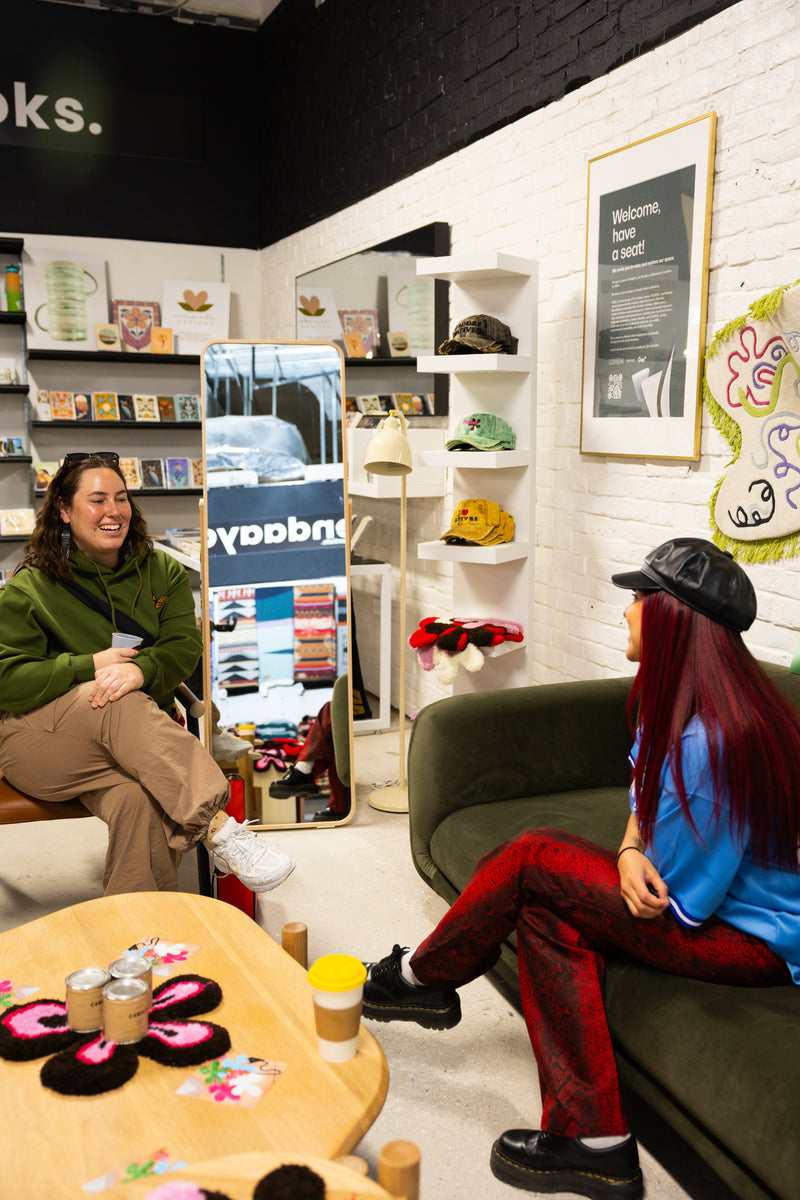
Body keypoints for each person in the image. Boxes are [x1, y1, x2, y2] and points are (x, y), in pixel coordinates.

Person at [360, 537, 800, 1199]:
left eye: (639, 600)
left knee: (533, 855)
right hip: (709, 907)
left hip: (751, 943)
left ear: (672, 620)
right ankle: (596, 1143)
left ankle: (420, 975)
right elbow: (641, 800)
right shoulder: (678, 700)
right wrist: (626, 849)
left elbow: (675, 904)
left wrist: (633, 861)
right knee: (540, 903)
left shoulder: (711, 742)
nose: (626, 612)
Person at [0, 452, 295, 896]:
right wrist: (90, 665)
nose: (113, 511)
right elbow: (7, 679)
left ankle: (138, 931)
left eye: (121, 498)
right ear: (63, 509)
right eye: (96, 500)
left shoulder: (163, 571)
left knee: (141, 798)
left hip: (131, 742)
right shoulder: (30, 586)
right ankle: (218, 827)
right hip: (38, 743)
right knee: (111, 695)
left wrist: (142, 670)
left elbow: (184, 645)